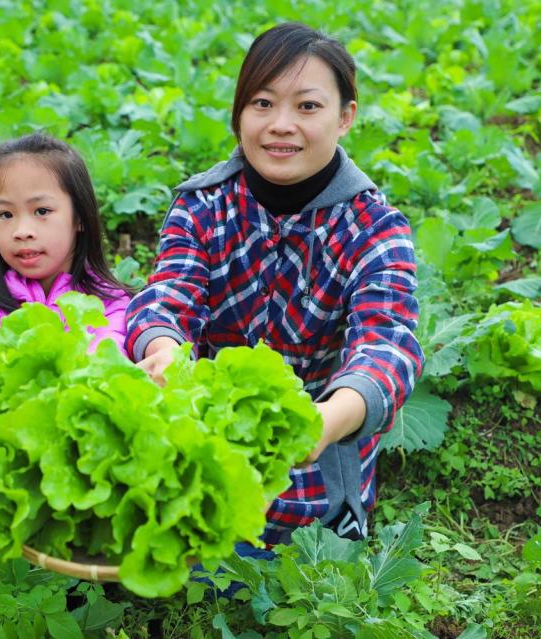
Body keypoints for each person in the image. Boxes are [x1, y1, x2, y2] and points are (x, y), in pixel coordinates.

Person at [126, 23, 423, 544]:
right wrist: (166, 349)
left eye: (307, 107)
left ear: (345, 117)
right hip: (200, 443)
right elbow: (167, 298)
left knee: (275, 573)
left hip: (312, 465)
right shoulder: (201, 206)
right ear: (239, 113)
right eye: (262, 104)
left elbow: (387, 343)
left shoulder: (375, 227)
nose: (280, 125)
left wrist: (325, 420)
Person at [0, 133, 133, 384]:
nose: (22, 231)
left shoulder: (113, 304)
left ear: (79, 217)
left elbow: (107, 361)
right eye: (5, 214)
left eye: (42, 211)